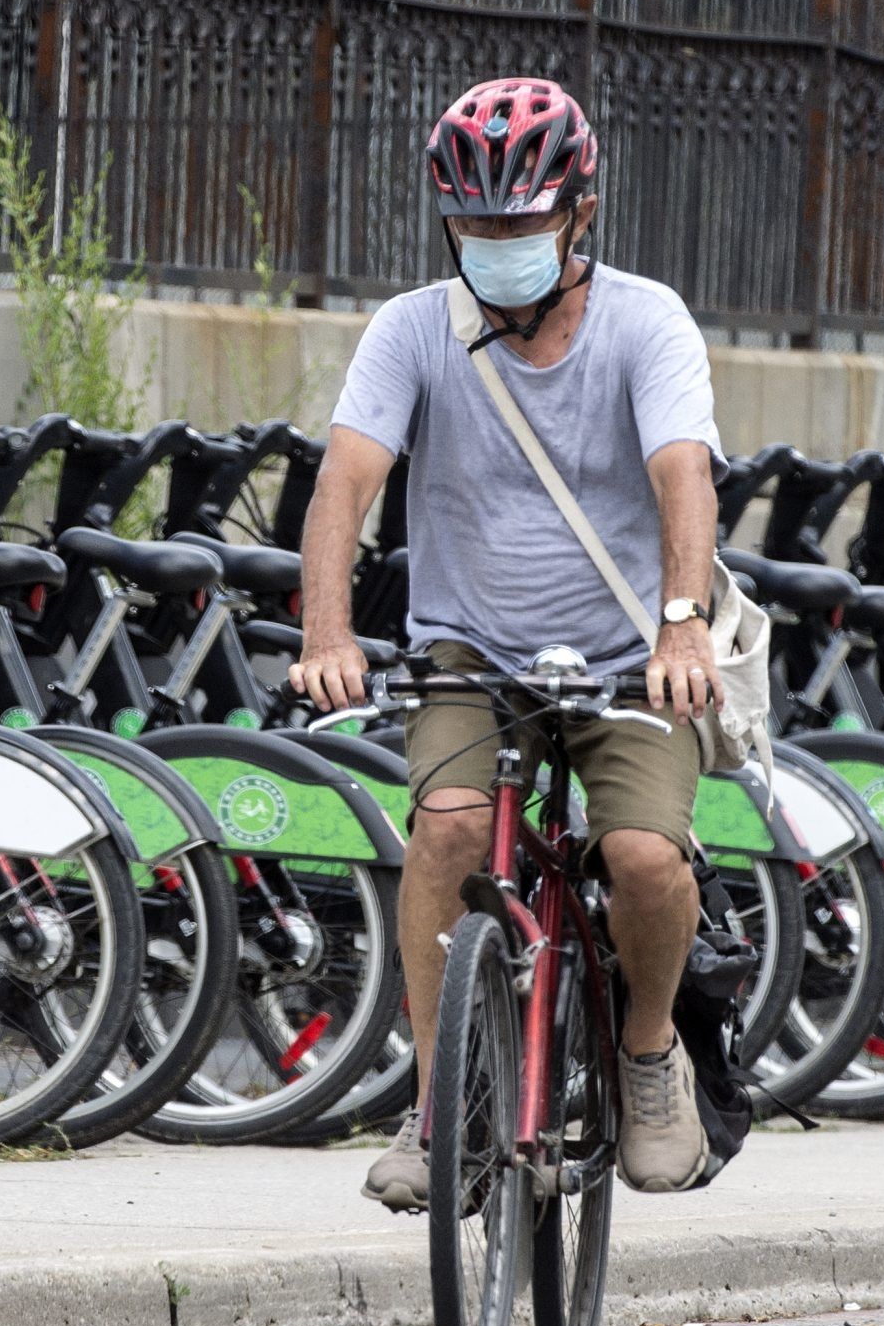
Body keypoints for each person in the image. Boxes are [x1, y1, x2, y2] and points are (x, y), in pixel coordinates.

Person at [287, 76, 726, 1210]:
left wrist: (682, 626)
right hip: (470, 655)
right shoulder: (412, 330)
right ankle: (437, 1110)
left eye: (522, 223)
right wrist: (326, 629)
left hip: (630, 656)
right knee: (443, 830)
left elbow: (684, 472)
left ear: (579, 214)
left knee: (640, 857)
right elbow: (346, 477)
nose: (498, 244)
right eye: (476, 225)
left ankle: (642, 1057)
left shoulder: (646, 320)